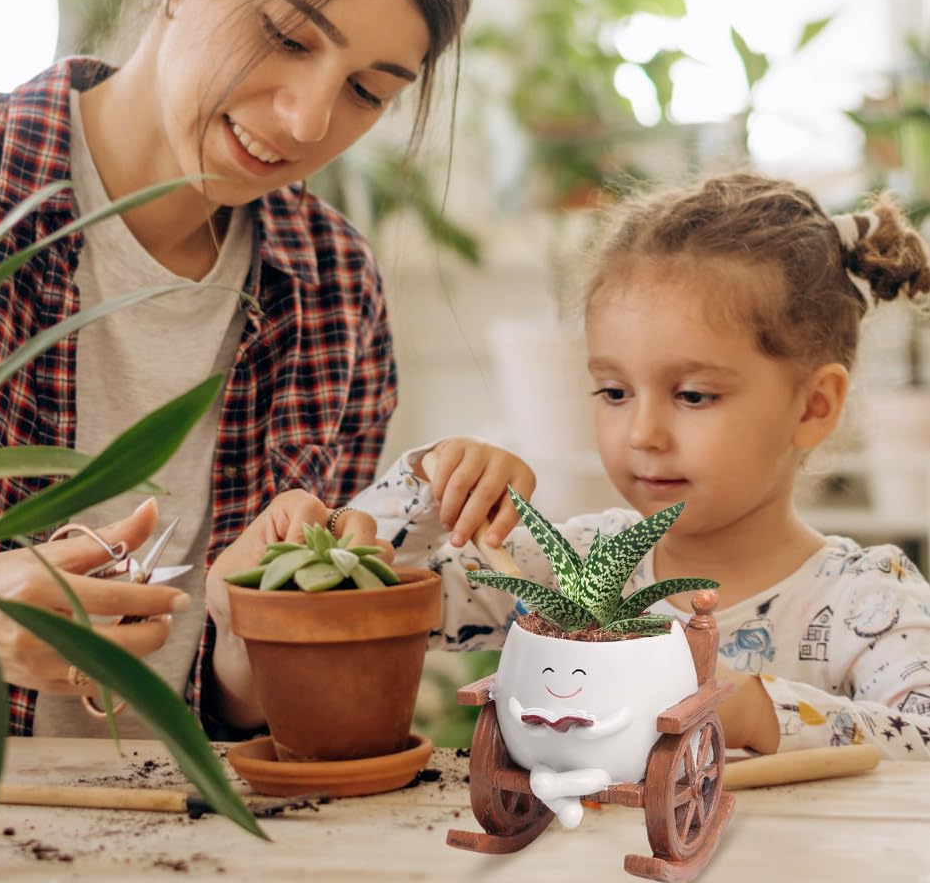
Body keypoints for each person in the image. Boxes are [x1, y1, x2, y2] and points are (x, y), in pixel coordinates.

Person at [0, 0, 479, 738]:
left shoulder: (332, 288)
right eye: (288, 37)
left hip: (191, 846)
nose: (306, 120)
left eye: (366, 91)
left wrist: (254, 627)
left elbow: (245, 720)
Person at [354, 172, 930, 759]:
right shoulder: (575, 566)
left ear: (813, 406)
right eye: (613, 392)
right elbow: (365, 597)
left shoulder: (867, 602)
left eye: (694, 396)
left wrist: (759, 712)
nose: (642, 434)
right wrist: (427, 482)